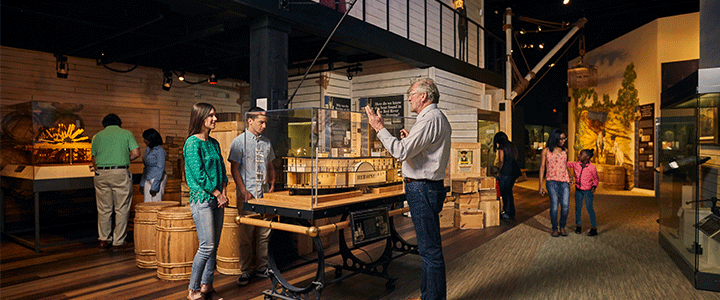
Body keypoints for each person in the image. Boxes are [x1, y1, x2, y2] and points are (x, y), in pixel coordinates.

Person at [365, 77, 451, 300]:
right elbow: (424, 152)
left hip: (422, 189)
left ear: (423, 96)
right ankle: (428, 296)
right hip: (428, 187)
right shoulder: (436, 118)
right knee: (428, 249)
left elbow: (400, 152)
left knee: (429, 251)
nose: (409, 98)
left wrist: (379, 128)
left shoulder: (429, 119)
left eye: (412, 94)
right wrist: (412, 140)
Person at [184, 102, 229, 300]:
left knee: (214, 246)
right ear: (200, 117)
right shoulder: (192, 143)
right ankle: (193, 289)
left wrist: (224, 191)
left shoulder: (214, 142)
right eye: (211, 115)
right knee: (207, 246)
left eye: (215, 115)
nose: (215, 118)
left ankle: (207, 286)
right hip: (202, 199)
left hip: (218, 198)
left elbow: (222, 171)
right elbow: (199, 175)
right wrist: (218, 193)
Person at [228, 107, 276, 286]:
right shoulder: (238, 142)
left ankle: (262, 267)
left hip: (264, 194)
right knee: (246, 234)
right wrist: (243, 191)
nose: (264, 126)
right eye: (260, 122)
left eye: (265, 123)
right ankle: (245, 270)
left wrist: (272, 185)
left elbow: (270, 165)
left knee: (265, 232)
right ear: (250, 121)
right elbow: (234, 168)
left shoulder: (267, 142)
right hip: (247, 194)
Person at [91, 113, 140, 251]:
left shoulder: (97, 136)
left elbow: (93, 158)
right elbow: (136, 153)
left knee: (103, 208)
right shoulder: (126, 134)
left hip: (101, 173)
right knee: (122, 208)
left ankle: (103, 239)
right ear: (119, 123)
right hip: (119, 172)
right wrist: (124, 159)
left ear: (104, 124)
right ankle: (118, 241)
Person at [538, 129, 573, 237]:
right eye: (562, 138)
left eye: (564, 138)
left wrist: (570, 176)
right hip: (551, 181)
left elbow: (564, 165)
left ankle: (562, 226)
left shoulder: (565, 151)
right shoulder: (546, 151)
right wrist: (540, 185)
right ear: (555, 138)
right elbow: (542, 167)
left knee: (565, 206)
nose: (564, 140)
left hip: (564, 182)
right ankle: (554, 228)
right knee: (554, 206)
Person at [568, 149, 599, 236]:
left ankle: (594, 228)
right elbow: (564, 163)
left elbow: (596, 178)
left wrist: (594, 186)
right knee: (578, 208)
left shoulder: (592, 167)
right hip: (578, 190)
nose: (579, 155)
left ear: (587, 157)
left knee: (589, 208)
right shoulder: (576, 164)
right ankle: (578, 226)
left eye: (581, 154)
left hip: (588, 191)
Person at [493, 131, 519, 220]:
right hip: (514, 171)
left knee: (505, 193)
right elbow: (515, 157)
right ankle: (511, 212)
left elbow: (501, 160)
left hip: (505, 172)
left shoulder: (502, 147)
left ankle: (508, 213)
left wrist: (499, 171)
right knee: (509, 193)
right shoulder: (512, 146)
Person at [140, 128, 167, 202]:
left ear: (152, 139)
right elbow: (146, 167)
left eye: (146, 139)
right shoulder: (148, 150)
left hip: (157, 179)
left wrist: (155, 186)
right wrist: (142, 183)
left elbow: (160, 169)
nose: (144, 140)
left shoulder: (160, 151)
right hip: (147, 178)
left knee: (156, 202)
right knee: (146, 202)